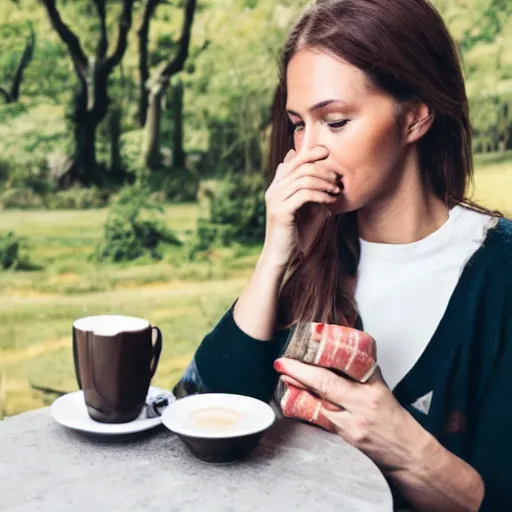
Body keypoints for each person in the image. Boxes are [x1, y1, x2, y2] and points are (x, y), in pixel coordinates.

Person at [173, 0, 512, 510]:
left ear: (415, 117)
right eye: (297, 124)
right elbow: (202, 414)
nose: (309, 151)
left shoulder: (498, 274)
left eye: (334, 121)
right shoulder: (313, 243)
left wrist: (402, 443)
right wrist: (275, 259)